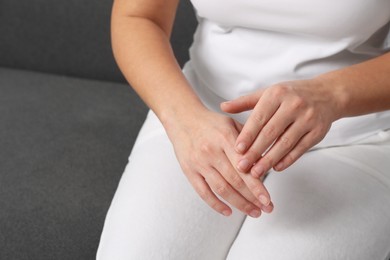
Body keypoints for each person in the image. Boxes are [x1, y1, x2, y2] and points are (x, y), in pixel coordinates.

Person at [97, 0, 390, 259]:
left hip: (356, 135)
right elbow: (137, 16)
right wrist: (185, 121)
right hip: (200, 116)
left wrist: (331, 94)